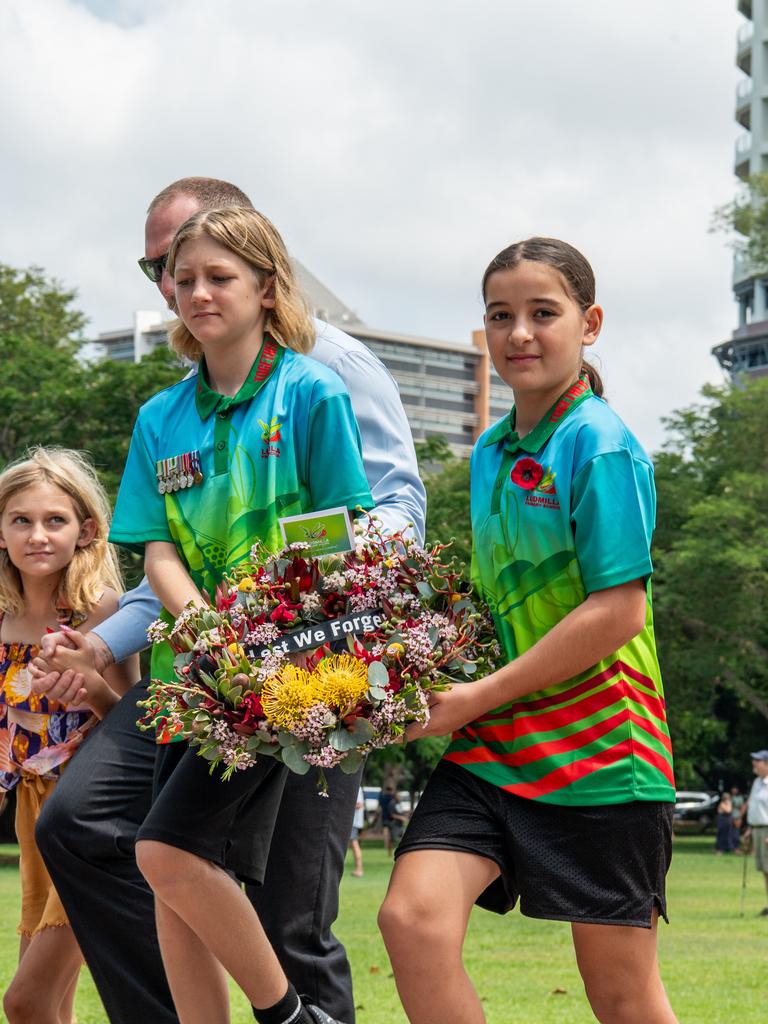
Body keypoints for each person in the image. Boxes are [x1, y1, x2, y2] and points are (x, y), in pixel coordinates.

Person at [33, 177, 425, 1024]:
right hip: (191, 669)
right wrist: (191, 628)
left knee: (237, 884)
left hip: (297, 674)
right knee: (118, 841)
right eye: (177, 276)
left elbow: (356, 527)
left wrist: (271, 636)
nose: (192, 290)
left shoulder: (321, 381)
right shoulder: (162, 414)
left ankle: (292, 1015)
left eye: (218, 274)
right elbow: (158, 550)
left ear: (267, 284)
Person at [378, 237, 678, 1024]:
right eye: (501, 316)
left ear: (590, 323)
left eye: (544, 313)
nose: (520, 333)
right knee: (411, 920)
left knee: (622, 997)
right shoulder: (489, 453)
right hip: (495, 745)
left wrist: (475, 696)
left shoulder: (602, 445)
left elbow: (618, 612)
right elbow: (492, 604)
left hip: (605, 755)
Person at [0, 448, 138, 1024]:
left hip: (91, 818)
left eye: (54, 520)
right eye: (21, 520)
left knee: (25, 1002)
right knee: (49, 1006)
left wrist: (91, 690)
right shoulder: (1, 619)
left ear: (86, 531)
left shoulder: (105, 612)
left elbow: (133, 723)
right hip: (31, 816)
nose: (38, 535)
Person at [744, 749, 768, 915]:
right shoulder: (757, 782)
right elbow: (755, 807)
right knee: (765, 870)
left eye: (758, 761)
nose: (755, 764)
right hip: (757, 830)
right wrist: (750, 829)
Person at [348, 787, 365, 877]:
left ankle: (359, 869)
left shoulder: (357, 787)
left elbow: (359, 805)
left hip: (353, 822)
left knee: (354, 844)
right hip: (352, 821)